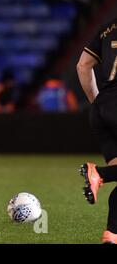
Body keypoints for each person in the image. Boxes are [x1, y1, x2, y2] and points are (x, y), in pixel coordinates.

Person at [77, 19, 117, 243]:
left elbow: (82, 66)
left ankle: (112, 234)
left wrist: (99, 105)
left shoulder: (107, 28)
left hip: (102, 108)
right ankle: (100, 173)